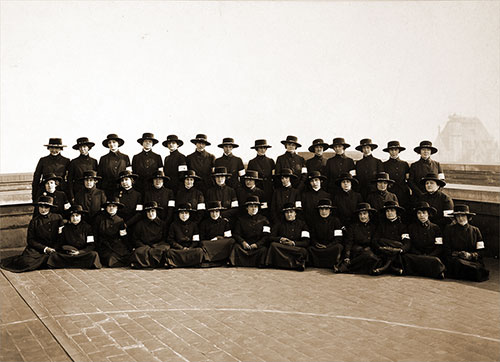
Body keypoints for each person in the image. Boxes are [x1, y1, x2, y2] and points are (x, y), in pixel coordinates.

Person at [1, 196, 64, 272]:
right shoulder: (34, 221)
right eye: (41, 207)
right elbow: (30, 240)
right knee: (26, 262)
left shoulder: (57, 218)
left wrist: (54, 248)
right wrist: (45, 248)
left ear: (50, 208)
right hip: (38, 248)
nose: (43, 210)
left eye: (46, 207)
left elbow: (61, 236)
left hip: (54, 247)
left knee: (62, 258)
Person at [443, 204, 489, 282]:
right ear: (455, 218)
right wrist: (458, 254)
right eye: (458, 216)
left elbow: (481, 251)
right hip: (456, 259)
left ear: (468, 217)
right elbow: (446, 248)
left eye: (463, 216)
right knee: (457, 263)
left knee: (477, 267)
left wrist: (471, 255)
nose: (460, 218)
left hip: (471, 259)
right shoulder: (449, 230)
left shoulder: (475, 230)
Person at [46, 205, 102, 269]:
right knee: (54, 256)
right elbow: (61, 243)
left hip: (82, 254)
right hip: (69, 254)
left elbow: (91, 245)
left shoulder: (88, 228)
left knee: (94, 255)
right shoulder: (65, 228)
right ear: (70, 217)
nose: (75, 218)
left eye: (77, 215)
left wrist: (79, 252)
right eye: (72, 216)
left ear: (81, 216)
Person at [403, 202, 445, 279]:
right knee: (406, 257)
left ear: (428, 214)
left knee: (436, 260)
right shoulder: (411, 227)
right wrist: (418, 254)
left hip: (431, 255)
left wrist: (430, 255)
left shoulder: (436, 228)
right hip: (416, 255)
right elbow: (409, 244)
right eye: (419, 213)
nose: (421, 215)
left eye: (424, 213)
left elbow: (439, 247)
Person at [229, 196, 271, 267]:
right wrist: (243, 242)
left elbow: (266, 236)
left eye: (256, 206)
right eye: (251, 206)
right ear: (247, 208)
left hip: (257, 246)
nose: (254, 208)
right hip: (245, 246)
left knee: (264, 250)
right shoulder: (240, 219)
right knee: (236, 247)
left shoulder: (264, 220)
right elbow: (236, 234)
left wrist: (257, 244)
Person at [338, 203, 379, 274]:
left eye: (364, 214)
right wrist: (347, 256)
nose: (362, 216)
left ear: (369, 214)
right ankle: (346, 266)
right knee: (367, 255)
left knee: (373, 258)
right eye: (360, 214)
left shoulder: (374, 227)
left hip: (370, 249)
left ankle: (348, 267)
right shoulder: (353, 227)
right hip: (357, 251)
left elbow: (375, 241)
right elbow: (349, 242)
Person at [267, 203, 310, 271]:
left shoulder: (302, 224)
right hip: (283, 247)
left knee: (303, 251)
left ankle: (285, 264)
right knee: (273, 245)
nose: (289, 214)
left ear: (295, 213)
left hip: (295, 248)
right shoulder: (279, 223)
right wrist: (280, 239)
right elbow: (270, 237)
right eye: (287, 212)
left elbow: (306, 241)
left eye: (291, 212)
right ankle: (296, 264)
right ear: (284, 214)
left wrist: (293, 243)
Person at [372, 201, 410, 275]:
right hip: (384, 250)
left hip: (397, 252)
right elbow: (375, 240)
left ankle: (385, 268)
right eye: (387, 211)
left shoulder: (402, 226)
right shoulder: (381, 225)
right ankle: (392, 268)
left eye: (392, 211)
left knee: (398, 246)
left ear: (396, 212)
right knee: (382, 241)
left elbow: (407, 242)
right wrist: (380, 248)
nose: (390, 213)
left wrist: (400, 250)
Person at [129, 201, 169, 269]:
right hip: (144, 246)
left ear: (156, 212)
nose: (151, 214)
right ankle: (154, 263)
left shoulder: (162, 224)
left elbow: (165, 238)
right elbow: (136, 239)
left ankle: (146, 263)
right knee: (138, 252)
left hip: (158, 246)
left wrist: (155, 245)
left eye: (152, 211)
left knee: (165, 249)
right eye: (148, 212)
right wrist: (144, 246)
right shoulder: (140, 224)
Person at [308, 199, 344, 269]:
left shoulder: (336, 221)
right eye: (321, 209)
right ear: (319, 211)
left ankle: (333, 264)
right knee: (310, 249)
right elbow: (312, 236)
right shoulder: (315, 221)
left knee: (339, 247)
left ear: (330, 211)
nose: (323, 211)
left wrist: (328, 246)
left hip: (331, 246)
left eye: (326, 209)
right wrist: (316, 244)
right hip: (319, 247)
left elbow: (338, 238)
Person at [93, 198, 130, 267]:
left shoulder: (120, 220)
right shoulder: (99, 219)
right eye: (109, 206)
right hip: (103, 245)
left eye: (114, 206)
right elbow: (95, 234)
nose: (111, 208)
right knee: (109, 258)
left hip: (116, 245)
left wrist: (127, 247)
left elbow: (123, 236)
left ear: (117, 208)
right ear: (106, 208)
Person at [166, 203, 204, 268]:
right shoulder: (173, 225)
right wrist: (181, 247)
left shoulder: (194, 225)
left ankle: (190, 263)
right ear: (178, 214)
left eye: (186, 213)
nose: (184, 215)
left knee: (199, 251)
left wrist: (190, 248)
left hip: (190, 248)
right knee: (170, 252)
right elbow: (170, 240)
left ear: (189, 214)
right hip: (179, 249)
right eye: (182, 213)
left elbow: (196, 240)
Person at [199, 201, 235, 266]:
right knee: (203, 244)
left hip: (221, 243)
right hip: (209, 244)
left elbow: (228, 237)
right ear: (209, 213)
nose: (214, 214)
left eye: (216, 212)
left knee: (232, 241)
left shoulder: (225, 222)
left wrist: (218, 238)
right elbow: (202, 238)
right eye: (212, 212)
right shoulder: (204, 223)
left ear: (219, 212)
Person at [97, 134, 131, 199]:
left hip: (121, 189)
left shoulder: (125, 157)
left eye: (114, 142)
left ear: (118, 143)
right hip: (107, 189)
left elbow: (128, 174)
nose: (112, 144)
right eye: (109, 142)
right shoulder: (103, 159)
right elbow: (100, 175)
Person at [67, 137, 98, 203]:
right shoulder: (74, 162)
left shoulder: (94, 161)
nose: (82, 149)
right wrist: (72, 196)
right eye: (80, 147)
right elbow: (69, 180)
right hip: (78, 192)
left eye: (84, 147)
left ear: (88, 147)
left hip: (91, 192)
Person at [382, 141, 411, 211]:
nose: (394, 152)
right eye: (391, 150)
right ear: (388, 151)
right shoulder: (384, 165)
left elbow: (408, 178)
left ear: (399, 151)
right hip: (390, 192)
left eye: (396, 150)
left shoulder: (404, 164)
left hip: (403, 192)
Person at [247, 139, 275, 206]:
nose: (263, 150)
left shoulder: (271, 161)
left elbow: (274, 176)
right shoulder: (252, 162)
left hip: (269, 189)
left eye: (264, 148)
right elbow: (249, 177)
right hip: (257, 189)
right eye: (260, 148)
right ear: (256, 149)